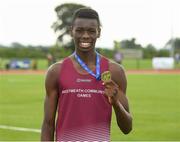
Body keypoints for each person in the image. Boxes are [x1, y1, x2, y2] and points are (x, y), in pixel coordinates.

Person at [41, 8, 132, 141]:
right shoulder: (56, 71)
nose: (85, 36)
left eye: (91, 31)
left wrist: (115, 103)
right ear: (71, 31)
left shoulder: (115, 71)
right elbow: (48, 124)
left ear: (99, 32)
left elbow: (127, 128)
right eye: (79, 30)